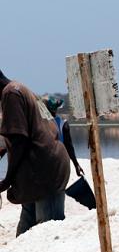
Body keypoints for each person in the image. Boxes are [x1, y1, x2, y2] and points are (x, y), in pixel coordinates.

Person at [0, 69, 70, 236]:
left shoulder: (11, 94)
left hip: (46, 174)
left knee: (48, 234)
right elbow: (22, 135)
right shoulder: (21, 89)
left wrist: (6, 181)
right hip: (33, 176)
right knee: (24, 237)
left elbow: (19, 141)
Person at [43, 96, 84, 177]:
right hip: (61, 162)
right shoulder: (63, 124)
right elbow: (69, 146)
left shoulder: (43, 123)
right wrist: (76, 164)